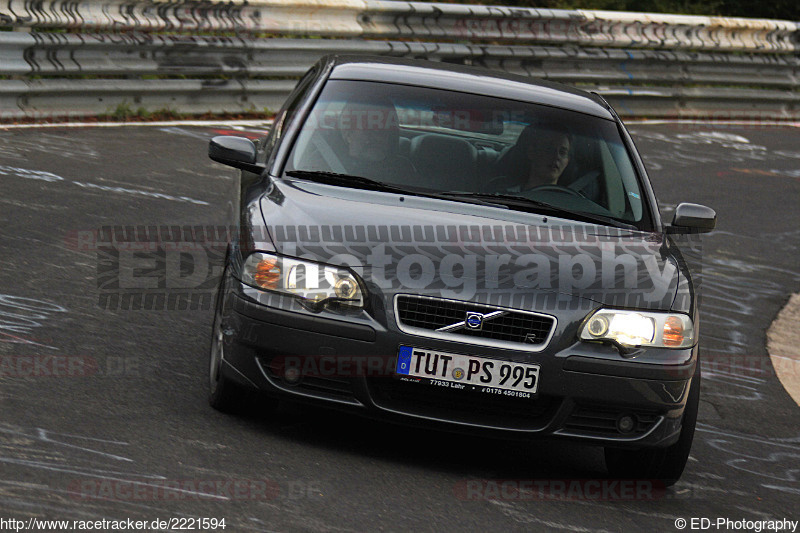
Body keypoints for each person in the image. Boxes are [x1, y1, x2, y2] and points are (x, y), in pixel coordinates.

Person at [487, 123, 574, 193]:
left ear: (567, 161)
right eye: (549, 149)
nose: (556, 156)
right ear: (531, 152)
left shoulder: (571, 204)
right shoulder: (501, 194)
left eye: (562, 152)